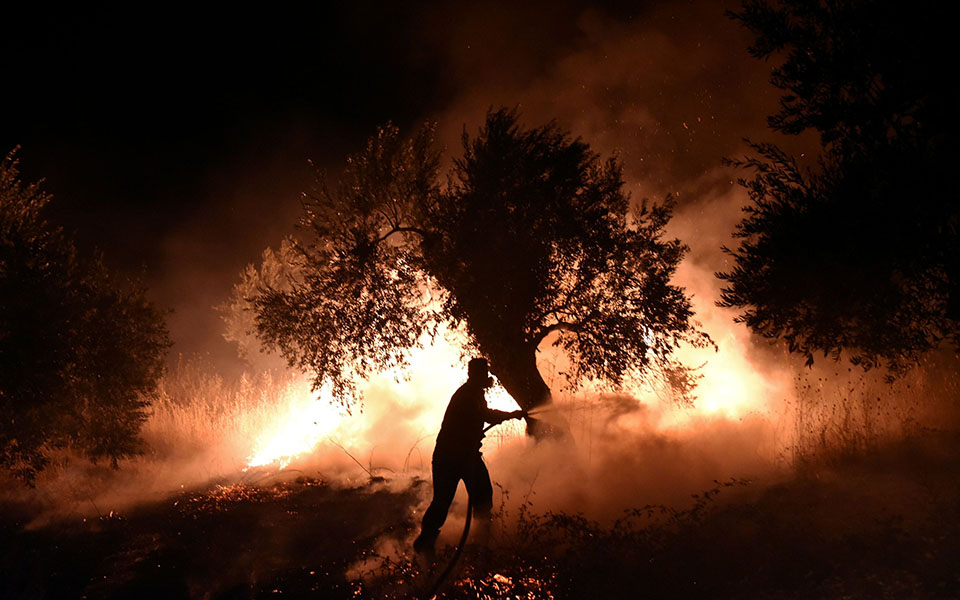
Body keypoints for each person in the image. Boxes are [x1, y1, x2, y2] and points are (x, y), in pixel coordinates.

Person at [413, 357, 524, 555]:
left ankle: (480, 542)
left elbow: (483, 414)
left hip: (462, 455)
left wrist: (510, 415)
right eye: (483, 374)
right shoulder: (467, 396)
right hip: (454, 458)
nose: (486, 377)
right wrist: (510, 415)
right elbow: (484, 415)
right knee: (447, 501)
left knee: (480, 496)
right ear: (474, 375)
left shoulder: (474, 393)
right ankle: (426, 545)